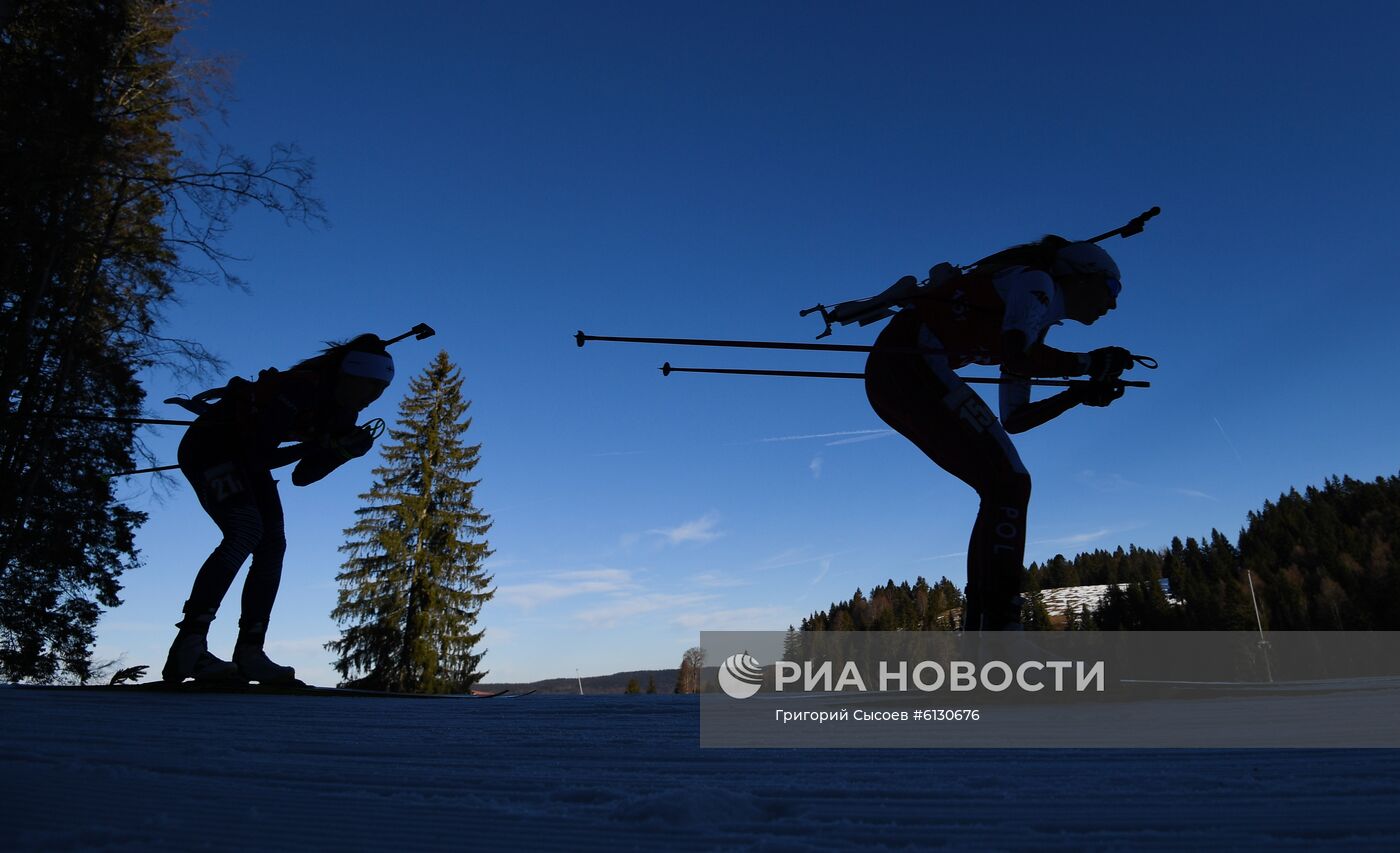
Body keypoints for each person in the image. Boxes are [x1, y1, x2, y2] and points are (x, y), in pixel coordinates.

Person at [863, 236, 1134, 632]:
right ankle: (998, 629)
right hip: (909, 366)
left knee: (1004, 484)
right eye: (1112, 289)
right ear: (1081, 277)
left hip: (899, 373)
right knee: (1008, 481)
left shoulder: (1032, 321)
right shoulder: (1037, 282)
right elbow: (1017, 356)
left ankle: (987, 629)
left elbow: (1016, 417)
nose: (1113, 303)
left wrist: (1076, 395)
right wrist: (1088, 363)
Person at [162, 334, 394, 683]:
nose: (371, 398)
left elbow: (303, 476)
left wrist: (341, 453)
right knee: (246, 530)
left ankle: (250, 651)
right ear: (349, 375)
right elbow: (260, 455)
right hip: (210, 447)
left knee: (273, 543)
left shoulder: (345, 412)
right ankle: (190, 644)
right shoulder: (300, 389)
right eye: (369, 387)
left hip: (247, 460)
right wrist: (320, 445)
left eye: (380, 390)